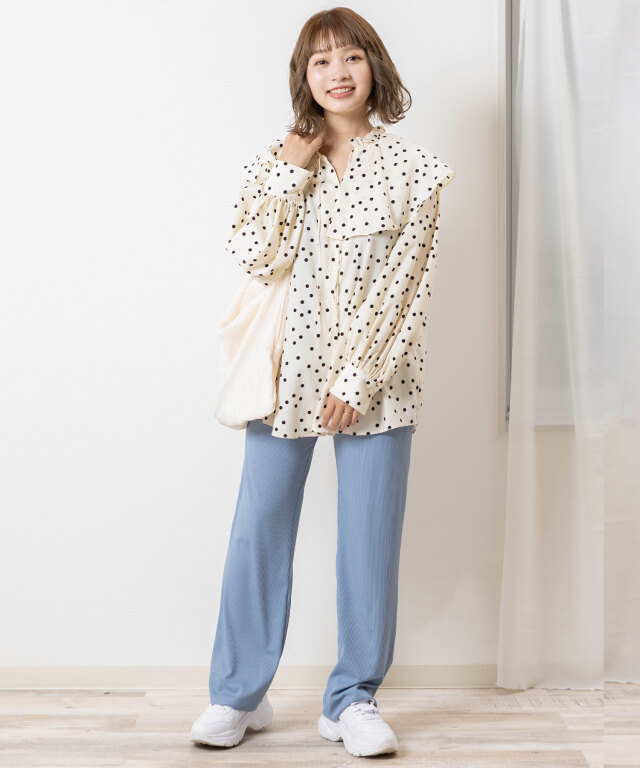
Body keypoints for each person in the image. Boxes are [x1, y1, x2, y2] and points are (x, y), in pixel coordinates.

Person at [191, 6, 455, 759]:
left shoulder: (417, 170)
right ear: (303, 76)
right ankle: (237, 695)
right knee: (259, 530)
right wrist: (290, 167)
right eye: (321, 61)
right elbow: (254, 253)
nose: (338, 73)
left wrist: (359, 377)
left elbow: (408, 286)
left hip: (378, 383)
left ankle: (353, 700)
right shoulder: (278, 158)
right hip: (285, 376)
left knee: (368, 542)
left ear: (375, 66)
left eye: (351, 57)